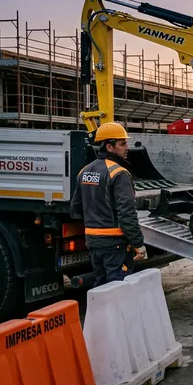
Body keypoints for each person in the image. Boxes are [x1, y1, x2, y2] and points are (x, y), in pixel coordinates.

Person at [71, 122, 147, 287]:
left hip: (93, 242)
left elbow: (75, 209)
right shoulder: (119, 173)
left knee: (101, 287)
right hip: (115, 245)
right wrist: (138, 244)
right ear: (109, 147)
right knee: (118, 290)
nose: (127, 147)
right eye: (122, 143)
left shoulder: (84, 172)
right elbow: (127, 214)